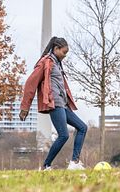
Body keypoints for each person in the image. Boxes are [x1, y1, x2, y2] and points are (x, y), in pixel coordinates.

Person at [19, 36, 87, 170]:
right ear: (56, 49)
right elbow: (30, 84)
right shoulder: (46, 62)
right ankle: (45, 166)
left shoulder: (56, 63)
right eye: (64, 52)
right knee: (63, 135)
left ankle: (74, 162)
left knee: (82, 127)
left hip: (62, 104)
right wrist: (25, 107)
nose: (65, 56)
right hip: (54, 103)